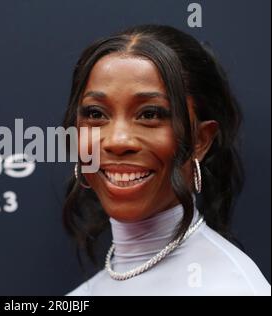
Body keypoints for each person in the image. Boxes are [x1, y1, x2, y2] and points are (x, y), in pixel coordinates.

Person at [62, 24, 271, 296]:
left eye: (150, 114)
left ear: (200, 140)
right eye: (96, 113)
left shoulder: (232, 288)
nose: (117, 140)